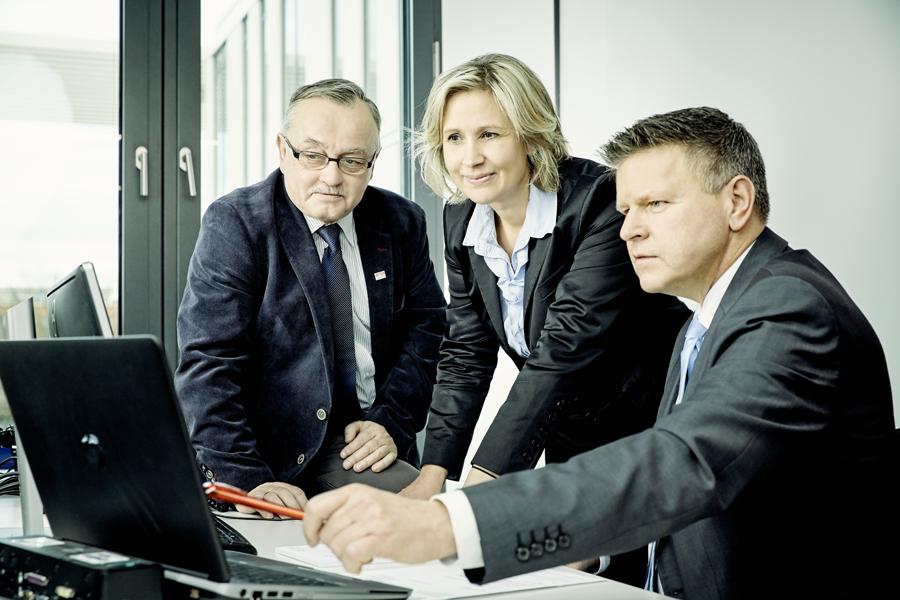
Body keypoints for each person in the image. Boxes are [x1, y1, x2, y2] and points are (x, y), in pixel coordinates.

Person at [302, 107, 896, 600]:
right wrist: (598, 549)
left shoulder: (787, 308)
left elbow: (686, 464)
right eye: (627, 209)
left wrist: (446, 523)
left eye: (656, 206)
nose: (628, 229)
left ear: (737, 201)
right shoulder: (704, 318)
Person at [401, 53, 687, 582]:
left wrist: (481, 487)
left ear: (530, 135)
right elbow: (466, 351)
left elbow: (565, 349)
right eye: (454, 138)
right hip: (567, 423)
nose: (470, 158)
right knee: (568, 574)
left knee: (646, 569)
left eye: (489, 134)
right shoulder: (460, 215)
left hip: (649, 418)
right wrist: (433, 475)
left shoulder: (598, 200)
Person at [175, 79, 446, 514]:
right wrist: (246, 479)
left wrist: (391, 423)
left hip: (360, 446)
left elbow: (429, 335)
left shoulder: (401, 223)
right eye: (314, 155)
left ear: (372, 164)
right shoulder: (237, 224)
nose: (332, 176)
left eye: (352, 160)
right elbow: (210, 362)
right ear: (283, 151)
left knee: (427, 517)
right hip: (263, 452)